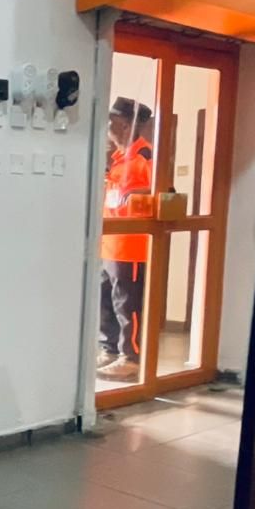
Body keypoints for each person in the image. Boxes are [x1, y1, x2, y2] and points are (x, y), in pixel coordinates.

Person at [98, 98, 155, 382]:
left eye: (112, 121)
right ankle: (109, 349)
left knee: (127, 305)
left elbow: (163, 192)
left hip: (131, 245)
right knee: (106, 301)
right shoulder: (119, 158)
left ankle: (130, 358)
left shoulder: (145, 157)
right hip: (110, 243)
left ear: (125, 125)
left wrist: (135, 195)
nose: (108, 126)